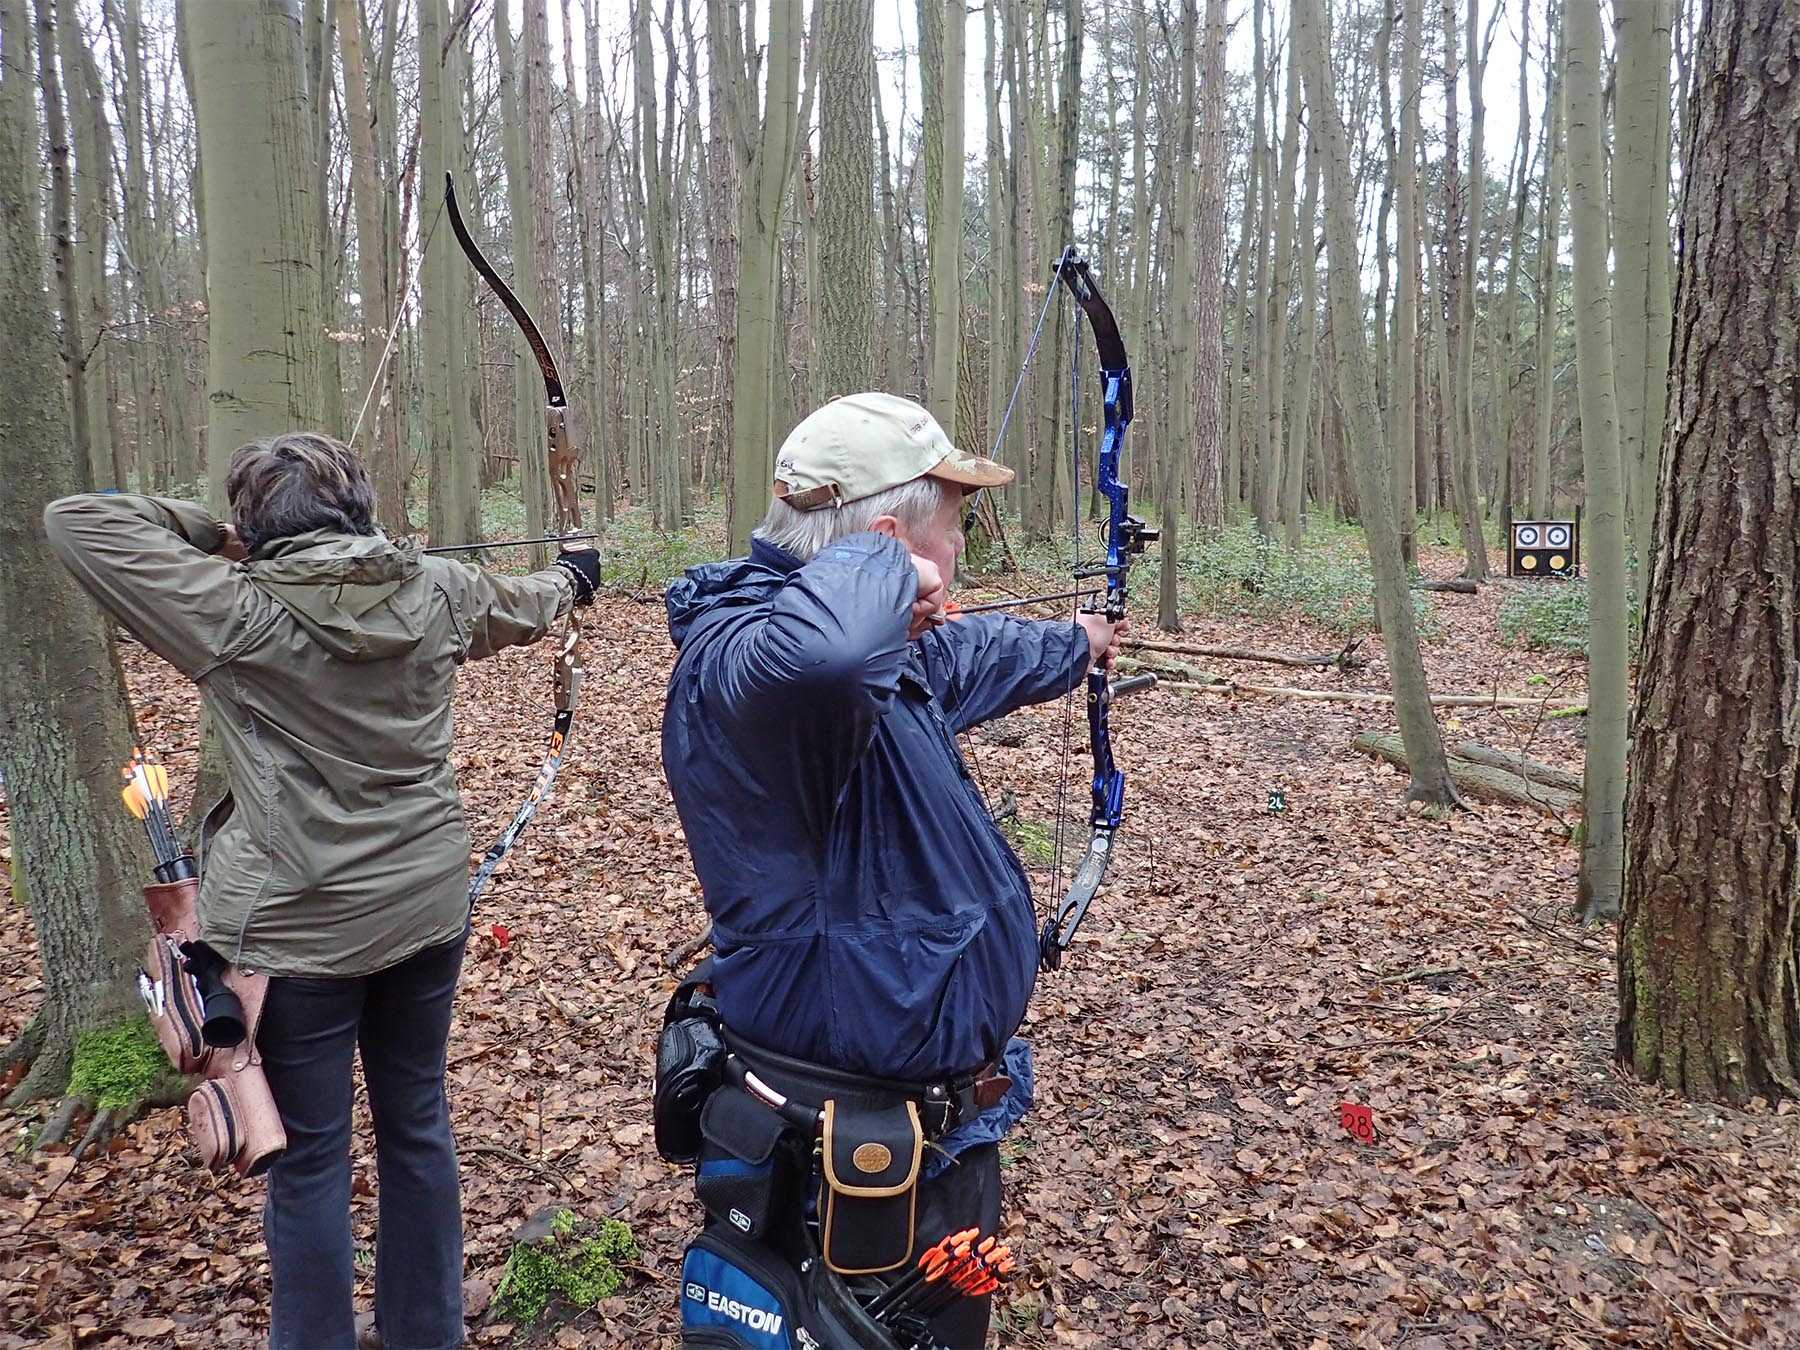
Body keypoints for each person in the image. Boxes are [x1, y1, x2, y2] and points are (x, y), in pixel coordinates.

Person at [44, 432, 602, 1350]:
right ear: (360, 509)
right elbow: (529, 603)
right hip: (425, 908)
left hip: (296, 933)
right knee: (416, 1124)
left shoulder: (233, 610)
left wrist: (220, 536)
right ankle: (427, 1333)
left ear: (260, 525)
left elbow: (79, 521)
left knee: (307, 1165)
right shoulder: (436, 590)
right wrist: (573, 577)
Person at [660, 392, 1124, 1348]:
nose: (959, 553)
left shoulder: (884, 659)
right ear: (884, 543)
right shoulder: (751, 667)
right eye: (951, 529)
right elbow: (823, 653)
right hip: (843, 1152)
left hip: (924, 1140)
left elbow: (972, 653)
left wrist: (1077, 644)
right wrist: (884, 565)